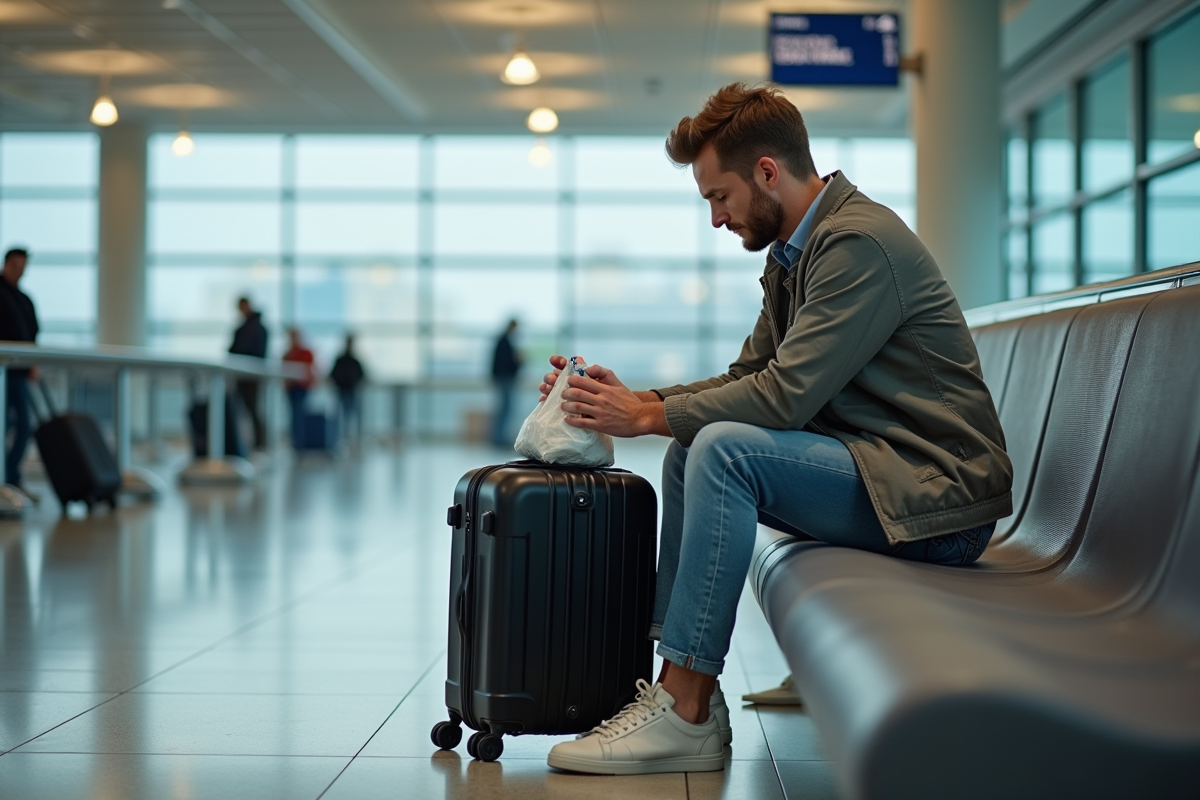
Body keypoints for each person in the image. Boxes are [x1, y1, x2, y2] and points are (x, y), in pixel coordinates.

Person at [540, 83, 1013, 775]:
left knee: (723, 451)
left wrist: (647, 415)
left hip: (939, 502)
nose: (715, 217)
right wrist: (641, 399)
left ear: (767, 172)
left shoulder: (855, 244)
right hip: (885, 473)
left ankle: (690, 708)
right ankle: (668, 686)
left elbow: (784, 397)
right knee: (692, 446)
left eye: (719, 197)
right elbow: (748, 377)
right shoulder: (797, 252)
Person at [0, 248, 38, 494]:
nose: (18, 270)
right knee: (3, 425)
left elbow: (33, 334)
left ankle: (11, 476)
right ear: (6, 263)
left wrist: (34, 362)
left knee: (24, 425)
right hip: (2, 370)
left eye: (22, 266)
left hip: (19, 371)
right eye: (14, 264)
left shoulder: (24, 299)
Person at [229, 297, 269, 451]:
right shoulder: (244, 328)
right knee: (239, 409)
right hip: (240, 374)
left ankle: (260, 445)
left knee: (253, 409)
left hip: (251, 375)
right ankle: (239, 444)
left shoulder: (257, 328)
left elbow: (253, 352)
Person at [489, 319, 522, 446]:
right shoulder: (505, 342)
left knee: (504, 408)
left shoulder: (503, 341)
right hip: (505, 378)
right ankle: (499, 438)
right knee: (505, 408)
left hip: (503, 378)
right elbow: (506, 362)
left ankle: (499, 436)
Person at [282, 328, 315, 449]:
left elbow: (309, 371)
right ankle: (296, 442)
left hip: (302, 388)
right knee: (293, 415)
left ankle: (300, 443)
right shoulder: (287, 354)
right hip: (291, 388)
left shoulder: (305, 353)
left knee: (299, 415)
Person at [330, 333, 366, 442]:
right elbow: (333, 374)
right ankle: (341, 436)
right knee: (341, 414)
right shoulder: (342, 359)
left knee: (349, 414)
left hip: (350, 390)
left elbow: (362, 375)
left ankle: (348, 436)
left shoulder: (354, 360)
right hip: (342, 390)